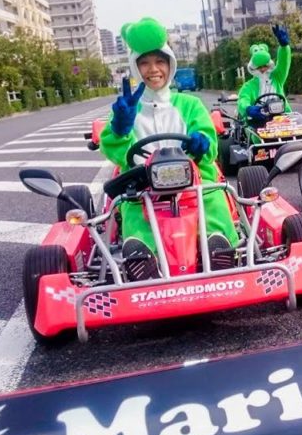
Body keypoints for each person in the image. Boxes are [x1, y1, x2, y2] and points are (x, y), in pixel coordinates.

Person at [100, 17, 238, 281]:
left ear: (170, 64)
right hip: (144, 185)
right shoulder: (128, 108)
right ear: (134, 66)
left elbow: (206, 134)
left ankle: (218, 244)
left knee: (213, 198)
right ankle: (142, 256)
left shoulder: (189, 103)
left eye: (160, 61)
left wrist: (201, 142)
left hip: (193, 177)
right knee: (131, 211)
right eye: (144, 63)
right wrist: (119, 127)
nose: (153, 69)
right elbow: (115, 151)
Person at [237, 25, 293, 132]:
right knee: (256, 136)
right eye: (259, 67)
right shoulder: (249, 86)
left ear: (269, 65)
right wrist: (248, 108)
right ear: (253, 68)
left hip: (282, 117)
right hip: (260, 121)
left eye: (265, 66)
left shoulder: (277, 77)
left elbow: (283, 63)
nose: (263, 69)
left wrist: (284, 47)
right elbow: (243, 99)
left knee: (300, 131)